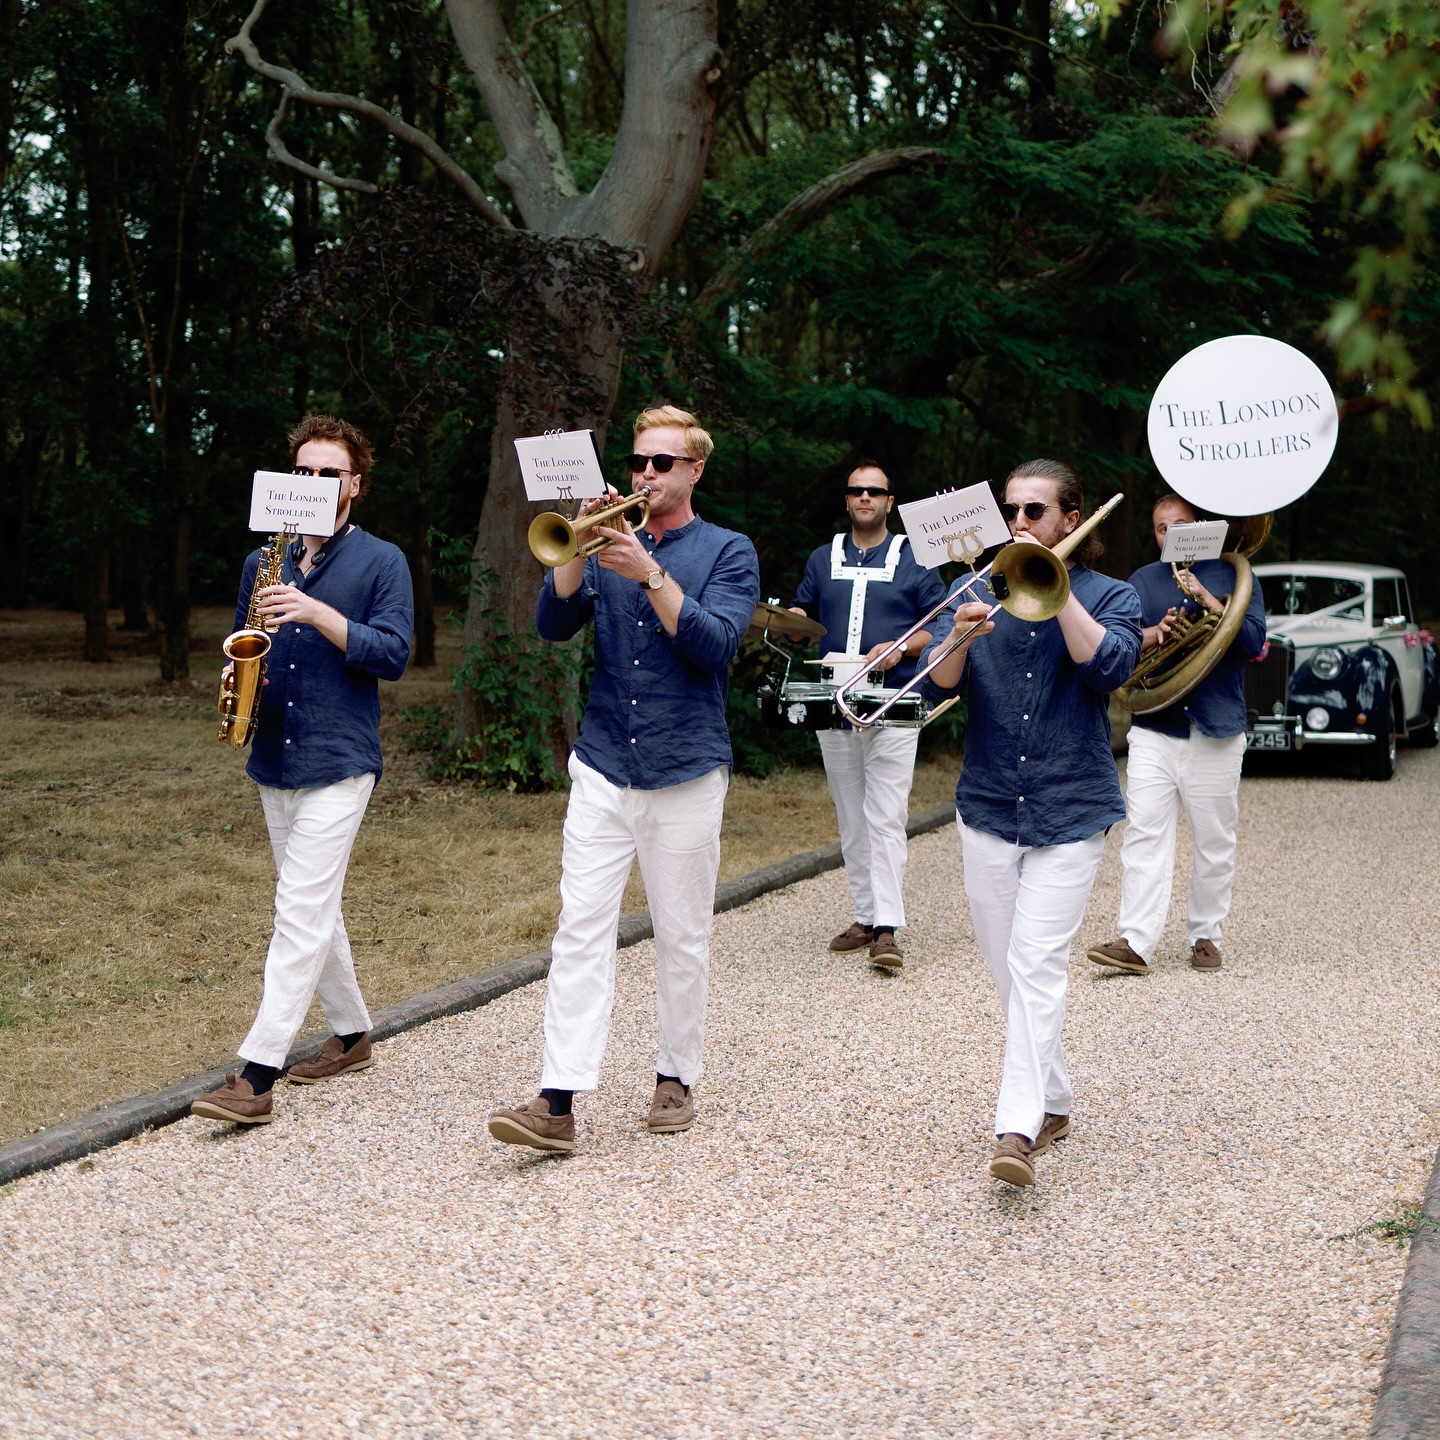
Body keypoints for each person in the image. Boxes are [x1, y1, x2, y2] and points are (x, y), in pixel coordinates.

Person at [487, 405, 760, 1154]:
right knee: (579, 930)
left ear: (695, 470)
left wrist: (653, 575)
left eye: (662, 464)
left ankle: (675, 1074)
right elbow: (551, 626)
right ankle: (557, 1099)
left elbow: (714, 649)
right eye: (639, 461)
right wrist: (576, 542)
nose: (645, 475)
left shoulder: (728, 550)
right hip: (605, 762)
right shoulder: (607, 536)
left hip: (684, 768)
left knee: (681, 933)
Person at [921, 459, 1141, 1188]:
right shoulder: (973, 590)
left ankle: (1015, 1128)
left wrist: (1057, 586)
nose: (1019, 525)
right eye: (1011, 511)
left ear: (1070, 521)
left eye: (1035, 513)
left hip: (1071, 806)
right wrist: (957, 636)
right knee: (1004, 967)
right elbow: (938, 691)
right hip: (986, 806)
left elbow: (1107, 667)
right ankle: (1054, 1097)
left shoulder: (1114, 595)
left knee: (1036, 963)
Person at [192, 414, 414, 1126]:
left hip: (340, 758)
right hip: (273, 754)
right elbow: (242, 642)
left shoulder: (383, 561)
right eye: (304, 473)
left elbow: (393, 654)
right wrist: (236, 680)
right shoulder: (264, 563)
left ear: (355, 484)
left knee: (297, 911)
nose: (315, 484)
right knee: (311, 903)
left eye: (330, 474)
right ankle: (350, 1035)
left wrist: (318, 614)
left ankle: (256, 1075)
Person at [1086, 494, 1267, 975]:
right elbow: (1119, 646)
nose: (1170, 535)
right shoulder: (1143, 581)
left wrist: (1211, 602)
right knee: (1144, 835)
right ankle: (1136, 941)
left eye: (1181, 526)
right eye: (1162, 528)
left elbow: (1252, 643)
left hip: (1216, 728)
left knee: (1214, 840)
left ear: (1201, 527)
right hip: (1155, 726)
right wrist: (1153, 630)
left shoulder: (1234, 575)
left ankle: (1206, 935)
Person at [788, 461, 947, 968]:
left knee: (886, 813)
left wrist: (901, 647)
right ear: (847, 499)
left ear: (890, 501)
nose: (864, 499)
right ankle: (863, 915)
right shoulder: (821, 556)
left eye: (874, 492)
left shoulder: (915, 557)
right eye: (856, 491)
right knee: (850, 813)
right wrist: (787, 621)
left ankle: (887, 928)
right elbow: (802, 618)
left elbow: (939, 623)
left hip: (895, 701)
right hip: (832, 699)